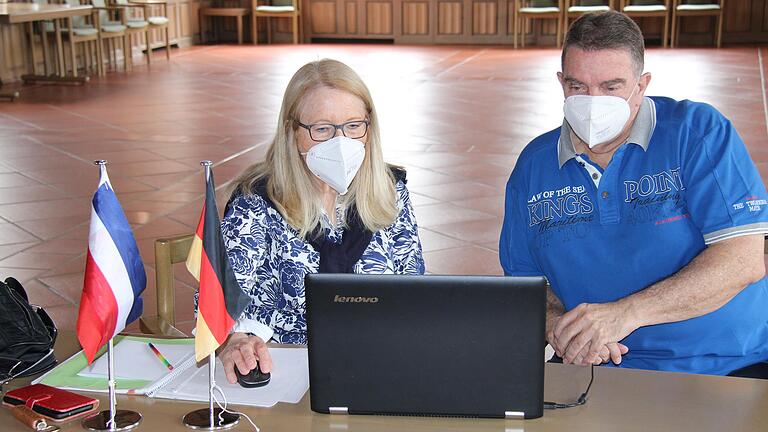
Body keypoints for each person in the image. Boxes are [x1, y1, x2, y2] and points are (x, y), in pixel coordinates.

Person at [499, 11, 768, 376]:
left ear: (641, 85)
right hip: (596, 370)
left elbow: (744, 260)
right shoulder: (534, 165)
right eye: (578, 87)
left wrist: (626, 313)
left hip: (722, 364)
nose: (594, 102)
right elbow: (526, 284)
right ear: (562, 83)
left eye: (611, 87)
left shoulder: (697, 133)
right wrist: (559, 327)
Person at [215, 59, 425, 384]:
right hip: (290, 369)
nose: (340, 143)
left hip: (379, 363)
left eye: (354, 126)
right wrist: (237, 340)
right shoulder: (255, 203)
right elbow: (220, 304)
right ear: (292, 132)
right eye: (322, 129)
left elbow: (414, 289)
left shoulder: (389, 191)